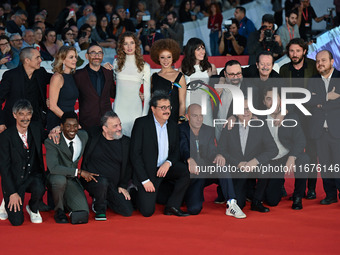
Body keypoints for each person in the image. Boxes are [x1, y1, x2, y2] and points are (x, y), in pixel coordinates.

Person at [179, 104, 246, 218]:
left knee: (222, 165)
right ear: (187, 116)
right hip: (192, 173)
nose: (199, 119)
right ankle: (186, 195)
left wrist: (218, 155)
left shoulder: (209, 130)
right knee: (194, 209)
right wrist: (189, 159)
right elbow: (183, 148)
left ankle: (231, 203)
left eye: (201, 115)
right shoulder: (180, 129)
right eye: (195, 116)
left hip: (205, 169)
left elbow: (211, 151)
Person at [130, 92, 190, 217]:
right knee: (147, 212)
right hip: (148, 172)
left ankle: (172, 206)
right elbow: (135, 154)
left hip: (165, 169)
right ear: (153, 109)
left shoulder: (173, 125)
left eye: (169, 107)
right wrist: (145, 180)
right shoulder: (141, 124)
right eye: (163, 108)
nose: (167, 111)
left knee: (185, 171)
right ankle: (134, 191)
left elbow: (176, 152)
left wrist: (168, 163)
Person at [218, 99, 278, 212]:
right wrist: (237, 163)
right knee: (239, 204)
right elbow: (221, 149)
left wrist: (255, 161)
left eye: (248, 109)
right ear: (236, 112)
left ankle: (257, 201)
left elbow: (273, 150)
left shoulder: (260, 125)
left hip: (254, 166)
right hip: (237, 168)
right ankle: (244, 191)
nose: (246, 112)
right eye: (242, 109)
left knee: (266, 168)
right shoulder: (229, 126)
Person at [279, 38, 319, 199]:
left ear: (304, 51)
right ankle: (289, 188)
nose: (294, 54)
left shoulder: (313, 67)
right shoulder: (283, 69)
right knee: (288, 151)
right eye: (291, 51)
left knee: (310, 152)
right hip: (291, 116)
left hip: (310, 116)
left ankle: (311, 188)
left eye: (297, 51)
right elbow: (281, 93)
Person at [45, 112, 98, 224]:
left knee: (83, 212)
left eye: (75, 125)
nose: (72, 129)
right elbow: (53, 168)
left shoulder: (83, 136)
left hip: (72, 180)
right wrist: (79, 172)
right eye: (68, 126)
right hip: (56, 177)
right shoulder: (52, 141)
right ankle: (59, 210)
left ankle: (66, 202)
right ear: (62, 126)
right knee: (59, 180)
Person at [261, 87, 309, 209]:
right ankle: (277, 184)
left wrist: (292, 157)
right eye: (268, 99)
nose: (272, 103)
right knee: (271, 201)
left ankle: (298, 196)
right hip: (271, 160)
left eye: (276, 99)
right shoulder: (259, 119)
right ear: (264, 102)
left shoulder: (291, 116)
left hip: (286, 155)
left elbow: (301, 140)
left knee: (303, 159)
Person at [0, 99, 46, 226]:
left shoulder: (36, 128)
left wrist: (56, 131)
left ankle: (32, 207)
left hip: (31, 176)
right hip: (15, 181)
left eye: (28, 114)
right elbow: (4, 168)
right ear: (14, 115)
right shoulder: (5, 137)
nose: (25, 118)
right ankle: (6, 199)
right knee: (17, 221)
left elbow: (48, 137)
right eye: (21, 114)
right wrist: (12, 193)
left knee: (40, 186)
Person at [81, 111, 134, 220]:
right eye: (115, 126)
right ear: (105, 128)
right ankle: (100, 208)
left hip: (113, 185)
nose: (119, 128)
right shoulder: (92, 135)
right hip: (92, 180)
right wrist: (57, 128)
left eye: (120, 124)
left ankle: (102, 197)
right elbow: (71, 130)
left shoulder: (126, 142)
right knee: (102, 182)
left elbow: (129, 166)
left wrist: (123, 185)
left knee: (127, 211)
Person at [306, 50, 340, 205]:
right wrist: (327, 98)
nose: (320, 64)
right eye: (318, 61)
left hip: (337, 129)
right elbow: (308, 102)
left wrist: (320, 103)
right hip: (319, 131)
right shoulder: (313, 80)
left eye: (323, 60)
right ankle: (331, 195)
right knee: (325, 166)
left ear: (332, 62)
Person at [0, 47, 51, 131]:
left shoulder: (41, 73)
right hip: (15, 122)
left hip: (36, 121)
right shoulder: (11, 75)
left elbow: (57, 79)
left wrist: (51, 99)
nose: (40, 60)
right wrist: (1, 122)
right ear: (27, 60)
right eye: (37, 58)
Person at [111, 32, 150, 137]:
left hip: (136, 112)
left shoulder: (144, 66)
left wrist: (144, 117)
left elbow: (147, 95)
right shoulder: (116, 63)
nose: (129, 46)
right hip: (118, 111)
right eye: (126, 43)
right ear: (121, 47)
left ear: (136, 45)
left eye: (132, 43)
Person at [73, 45, 115, 130]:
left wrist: (136, 93)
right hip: (87, 122)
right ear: (87, 56)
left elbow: (114, 93)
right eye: (93, 53)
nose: (97, 56)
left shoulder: (108, 73)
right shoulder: (78, 75)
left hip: (107, 122)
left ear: (103, 56)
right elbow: (70, 96)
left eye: (99, 53)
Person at [215, 60, 259, 140]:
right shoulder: (218, 86)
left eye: (238, 74)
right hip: (217, 132)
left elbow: (255, 115)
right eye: (231, 74)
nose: (235, 77)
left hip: (236, 138)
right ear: (225, 74)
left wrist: (235, 116)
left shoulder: (251, 90)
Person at [180, 37, 217, 126]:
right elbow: (181, 94)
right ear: (191, 51)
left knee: (207, 136)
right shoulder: (182, 70)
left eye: (203, 48)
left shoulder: (211, 68)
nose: (202, 52)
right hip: (189, 107)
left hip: (205, 108)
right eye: (198, 49)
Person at [150, 39, 187, 123]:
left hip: (174, 119)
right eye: (162, 57)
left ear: (173, 57)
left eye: (169, 57)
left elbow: (182, 103)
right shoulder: (154, 77)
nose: (166, 60)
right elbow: (152, 100)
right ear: (158, 58)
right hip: (157, 119)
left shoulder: (179, 76)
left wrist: (180, 122)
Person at [47, 46, 78, 131]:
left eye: (75, 57)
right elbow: (53, 106)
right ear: (63, 60)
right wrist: (68, 120)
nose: (75, 59)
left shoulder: (72, 76)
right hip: (58, 121)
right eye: (71, 57)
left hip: (69, 120)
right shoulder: (57, 77)